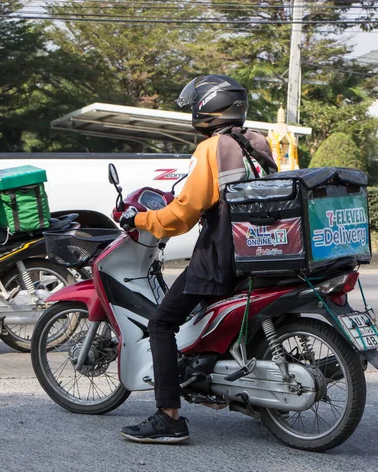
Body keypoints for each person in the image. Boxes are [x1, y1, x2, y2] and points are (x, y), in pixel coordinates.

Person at [119, 74, 277, 444]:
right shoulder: (257, 141)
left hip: (222, 255)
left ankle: (168, 417)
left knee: (160, 323)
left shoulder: (211, 148)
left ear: (207, 107)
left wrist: (140, 219)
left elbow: (183, 214)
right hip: (262, 248)